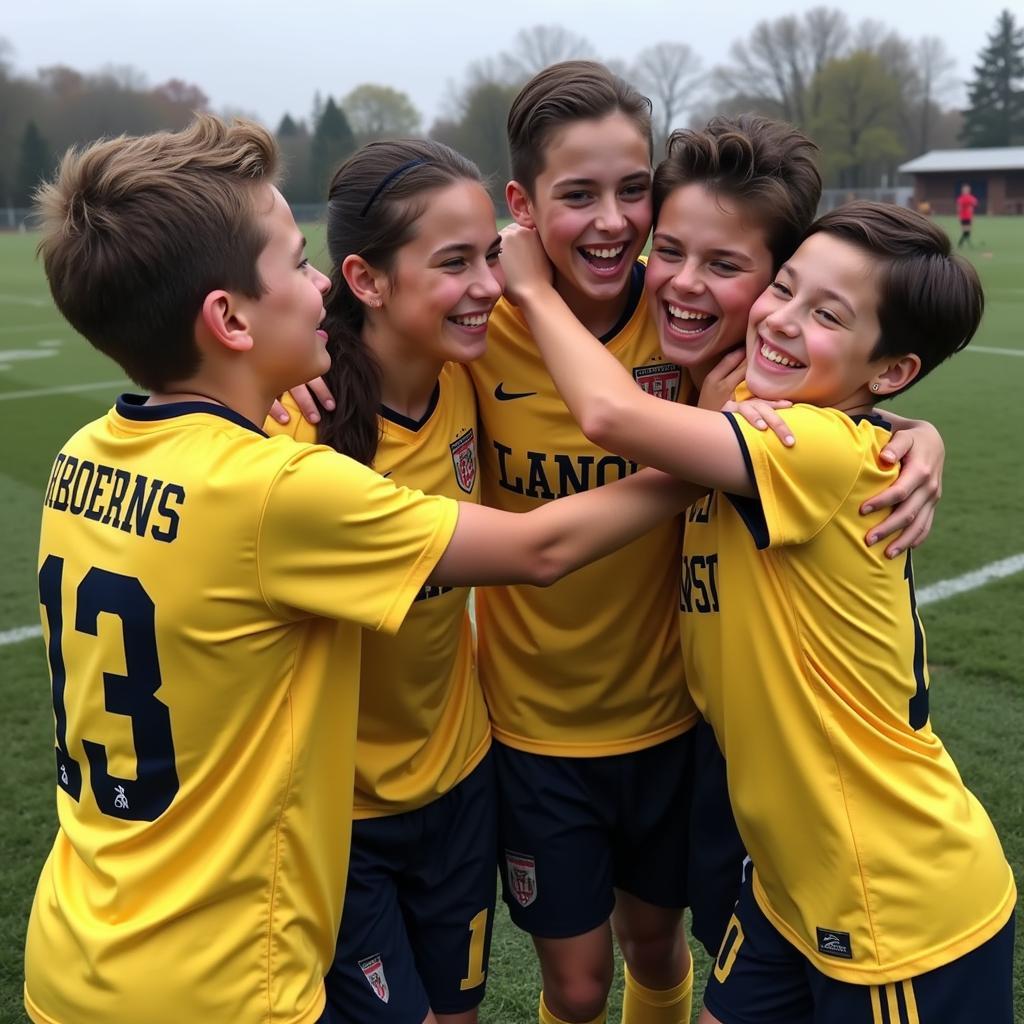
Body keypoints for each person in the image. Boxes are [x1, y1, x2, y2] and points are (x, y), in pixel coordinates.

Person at [276, 70, 948, 1024]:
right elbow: (380, 345)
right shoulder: (482, 329)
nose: (614, 222)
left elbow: (817, 404)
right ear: (523, 206)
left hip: (677, 719)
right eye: (579, 195)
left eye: (634, 191)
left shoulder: (693, 329)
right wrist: (295, 379)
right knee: (579, 984)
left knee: (661, 947)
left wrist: (908, 430)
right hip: (530, 727)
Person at [24, 115, 714, 1024]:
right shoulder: (281, 476)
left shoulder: (85, 454)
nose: (318, 286)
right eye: (295, 263)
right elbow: (540, 550)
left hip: (88, 924)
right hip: (225, 952)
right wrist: (720, 457)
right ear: (230, 317)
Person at [499, 200, 1016, 1024]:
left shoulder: (815, 447)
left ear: (889, 371)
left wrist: (532, 290)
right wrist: (916, 426)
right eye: (783, 287)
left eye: (826, 314)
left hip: (891, 897)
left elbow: (611, 416)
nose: (778, 318)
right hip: (786, 884)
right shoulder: (756, 406)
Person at [266, 138, 503, 1024]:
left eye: (492, 255)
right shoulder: (294, 424)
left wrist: (902, 424)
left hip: (461, 777)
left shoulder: (474, 373)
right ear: (364, 280)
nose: (487, 284)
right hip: (339, 810)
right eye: (453, 263)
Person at [956, 183, 978, 248]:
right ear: (962, 191)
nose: (965, 191)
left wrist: (971, 208)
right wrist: (958, 215)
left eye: (967, 190)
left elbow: (975, 204)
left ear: (969, 190)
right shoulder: (961, 198)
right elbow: (959, 207)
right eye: (964, 190)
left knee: (968, 231)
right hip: (963, 217)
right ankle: (962, 243)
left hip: (969, 216)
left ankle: (962, 243)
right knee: (965, 231)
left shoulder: (971, 198)